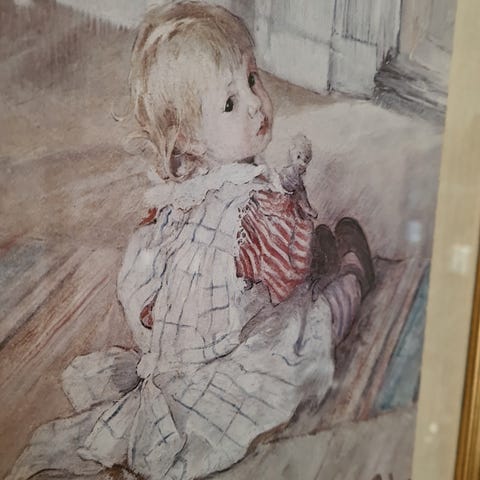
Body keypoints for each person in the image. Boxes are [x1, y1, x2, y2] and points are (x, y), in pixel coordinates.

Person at [8, 3, 374, 479]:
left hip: (180, 352)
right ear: (192, 139)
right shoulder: (251, 207)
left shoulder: (180, 196)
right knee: (316, 321)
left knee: (280, 265)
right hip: (236, 355)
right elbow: (287, 276)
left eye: (251, 79)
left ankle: (320, 261)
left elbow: (142, 285)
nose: (255, 103)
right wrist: (291, 216)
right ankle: (354, 275)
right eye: (230, 104)